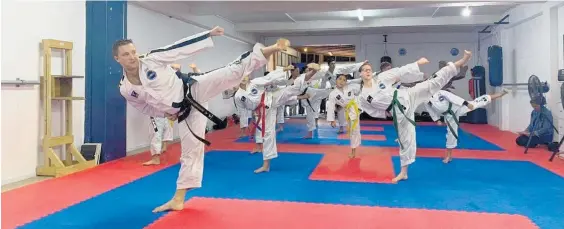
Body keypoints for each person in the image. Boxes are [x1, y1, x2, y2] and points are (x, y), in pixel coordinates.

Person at [114, 25, 290, 212]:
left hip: (194, 89)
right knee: (190, 153)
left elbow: (178, 48)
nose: (132, 57)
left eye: (133, 52)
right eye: (126, 54)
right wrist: (162, 113)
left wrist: (207, 35)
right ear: (117, 59)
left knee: (230, 73)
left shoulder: (152, 60)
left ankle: (269, 50)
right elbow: (142, 106)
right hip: (185, 112)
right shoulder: (125, 88)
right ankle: (178, 199)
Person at [356, 50, 472, 183]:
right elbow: (371, 111)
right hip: (398, 112)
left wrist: (416, 63)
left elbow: (399, 72)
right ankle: (403, 173)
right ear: (360, 74)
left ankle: (462, 61)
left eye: (369, 69)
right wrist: (386, 113)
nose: (368, 71)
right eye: (365, 70)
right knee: (405, 141)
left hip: (407, 95)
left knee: (433, 82)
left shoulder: (381, 78)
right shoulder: (363, 96)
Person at [239, 65, 316, 173]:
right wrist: (247, 121)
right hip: (262, 112)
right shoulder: (238, 94)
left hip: (272, 99)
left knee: (291, 89)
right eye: (240, 75)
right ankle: (266, 165)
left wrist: (283, 69)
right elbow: (243, 109)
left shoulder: (255, 82)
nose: (243, 77)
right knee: (268, 135)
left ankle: (313, 72)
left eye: (245, 75)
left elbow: (269, 78)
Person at [425, 89, 508, 163]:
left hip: (459, 107)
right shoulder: (426, 101)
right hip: (449, 115)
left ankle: (500, 94)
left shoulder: (440, 92)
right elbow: (430, 111)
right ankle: (448, 156)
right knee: (451, 134)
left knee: (477, 102)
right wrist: (437, 120)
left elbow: (453, 97)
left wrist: (466, 103)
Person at [327, 74, 362, 158]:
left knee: (354, 130)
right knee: (352, 130)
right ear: (336, 80)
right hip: (348, 110)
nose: (341, 81)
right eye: (340, 79)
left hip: (357, 107)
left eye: (344, 80)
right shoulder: (333, 94)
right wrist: (332, 120)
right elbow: (331, 107)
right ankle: (354, 148)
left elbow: (361, 88)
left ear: (346, 82)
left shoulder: (351, 87)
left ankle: (353, 151)